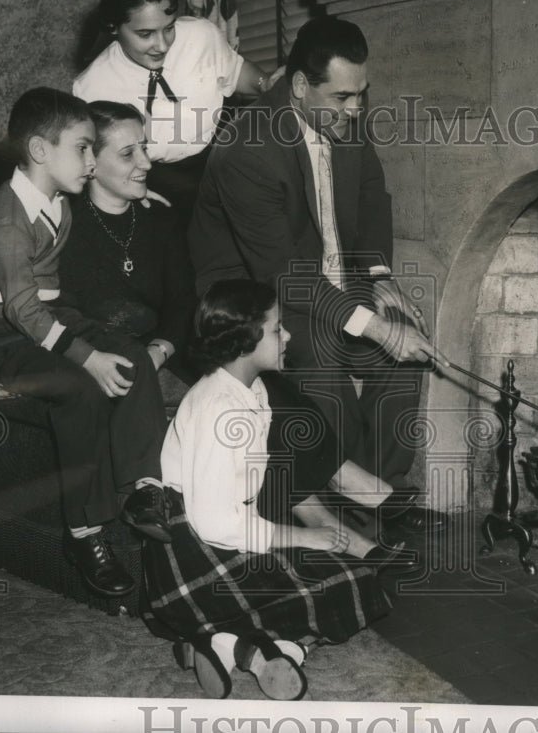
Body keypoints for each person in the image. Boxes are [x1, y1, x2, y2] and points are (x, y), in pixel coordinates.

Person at [189, 15, 446, 535]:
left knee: (405, 355)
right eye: (343, 99)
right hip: (259, 296)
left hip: (327, 281)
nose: (356, 111)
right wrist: (372, 325)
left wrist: (377, 276)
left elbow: (372, 194)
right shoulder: (247, 147)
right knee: (323, 358)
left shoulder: (338, 112)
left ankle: (381, 499)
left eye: (361, 96)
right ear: (301, 87)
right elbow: (282, 272)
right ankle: (354, 505)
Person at [142, 279, 406, 700]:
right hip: (192, 551)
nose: (288, 335)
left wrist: (297, 538)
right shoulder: (218, 409)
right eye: (278, 328)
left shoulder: (252, 391)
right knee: (351, 585)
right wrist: (302, 536)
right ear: (246, 337)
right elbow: (213, 522)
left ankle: (238, 648)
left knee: (355, 580)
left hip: (225, 537)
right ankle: (260, 644)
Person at [0, 87, 171, 599]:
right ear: (38, 151)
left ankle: (144, 488)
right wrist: (85, 355)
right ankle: (84, 533)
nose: (91, 163)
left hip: (44, 313)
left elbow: (49, 299)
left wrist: (140, 196)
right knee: (80, 386)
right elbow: (19, 310)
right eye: (82, 148)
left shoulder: (58, 202)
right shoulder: (7, 221)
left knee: (135, 355)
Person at [73, 0, 282, 219]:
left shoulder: (201, 35)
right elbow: (92, 166)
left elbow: (237, 72)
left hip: (223, 160)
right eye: (145, 34)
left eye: (169, 28)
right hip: (156, 184)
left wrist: (267, 84)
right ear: (114, 26)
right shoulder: (91, 88)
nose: (162, 45)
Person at [56, 100, 198, 384]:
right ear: (90, 164)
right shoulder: (63, 226)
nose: (146, 163)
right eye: (127, 154)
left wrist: (158, 352)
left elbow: (182, 301)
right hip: (97, 366)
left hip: (166, 355)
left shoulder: (161, 217)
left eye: (143, 148)